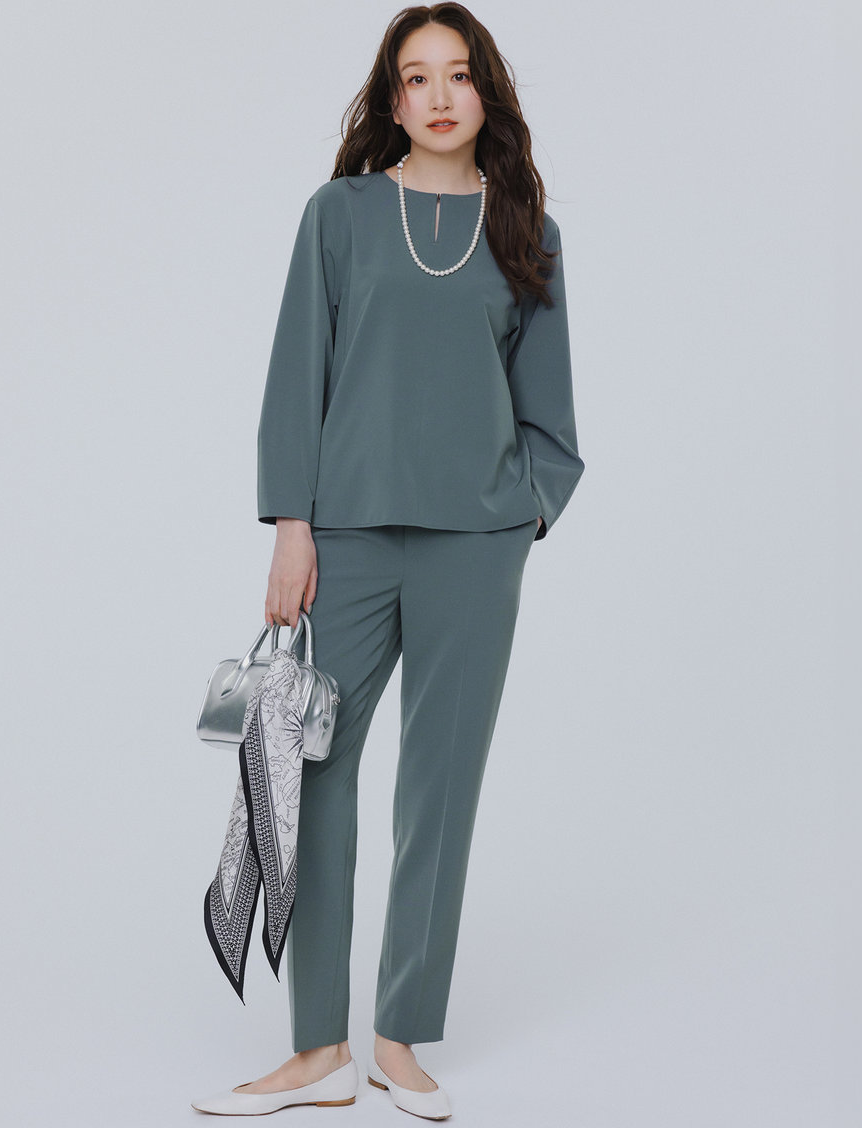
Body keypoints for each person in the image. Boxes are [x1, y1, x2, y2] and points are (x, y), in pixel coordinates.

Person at [191, 2, 584, 1119]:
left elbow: (551, 416)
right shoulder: (342, 214)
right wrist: (292, 524)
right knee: (315, 772)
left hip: (476, 548)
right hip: (349, 541)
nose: (441, 95)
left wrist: (522, 516)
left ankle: (398, 1036)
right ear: (393, 98)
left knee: (440, 789)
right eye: (418, 77)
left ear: (486, 93)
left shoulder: (528, 231)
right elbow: (296, 374)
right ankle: (317, 1050)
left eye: (459, 74)